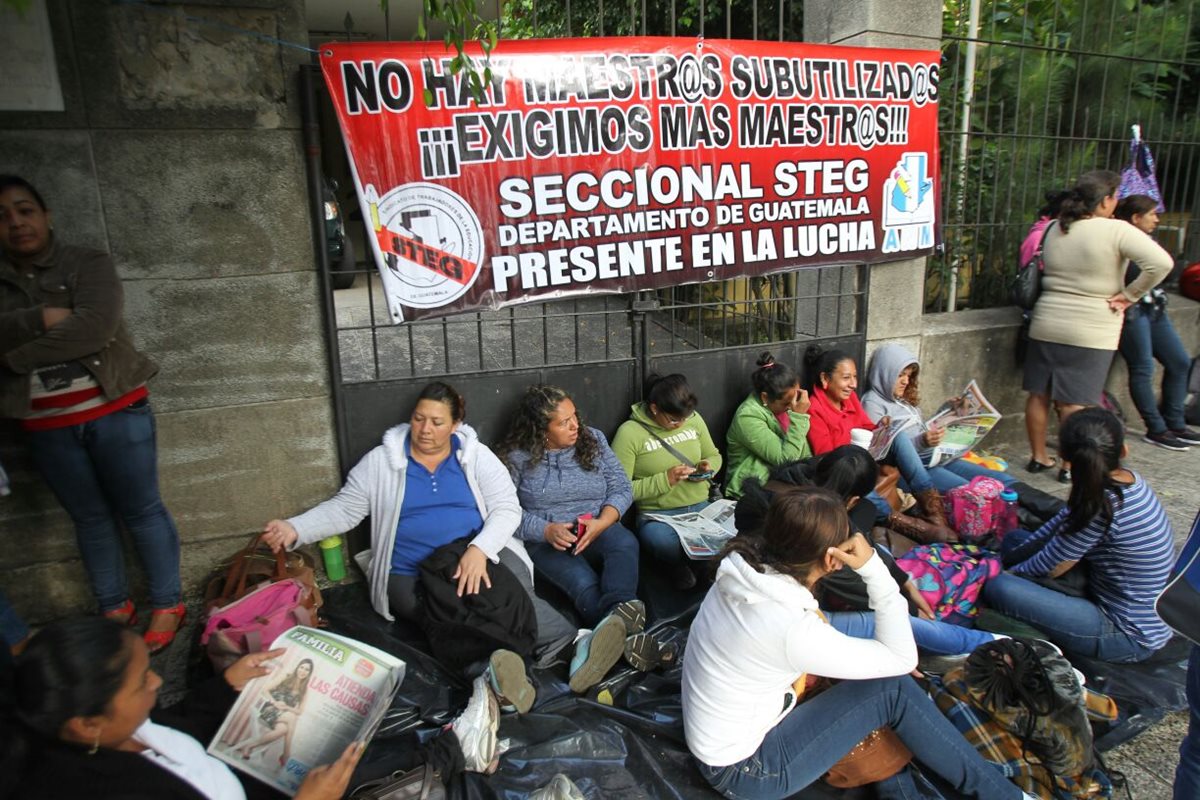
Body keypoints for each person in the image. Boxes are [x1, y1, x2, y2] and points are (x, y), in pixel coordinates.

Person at [681, 486, 1029, 800]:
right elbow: (901, 658)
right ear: (833, 560)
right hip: (747, 772)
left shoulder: (742, 571)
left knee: (869, 641)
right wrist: (874, 569)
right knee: (891, 689)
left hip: (720, 735)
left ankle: (980, 651)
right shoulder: (791, 627)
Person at [261, 381, 591, 705]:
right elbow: (346, 509)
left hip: (478, 550)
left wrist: (479, 550)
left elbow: (506, 508)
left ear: (456, 424)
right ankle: (495, 673)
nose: (425, 430)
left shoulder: (475, 457)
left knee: (508, 593)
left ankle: (567, 648)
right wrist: (294, 529)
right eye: (419, 418)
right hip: (412, 571)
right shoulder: (382, 461)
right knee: (449, 606)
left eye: (437, 422)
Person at [0, 175, 184, 652]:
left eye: (25, 210)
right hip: (43, 424)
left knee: (142, 509)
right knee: (88, 518)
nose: (16, 223)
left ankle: (167, 603)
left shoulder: (86, 262)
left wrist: (12, 354)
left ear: (46, 215)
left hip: (116, 410)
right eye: (3, 216)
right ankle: (113, 608)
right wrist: (41, 319)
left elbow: (94, 329)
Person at [0, 617, 366, 799]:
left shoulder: (117, 729)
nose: (158, 682)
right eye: (143, 679)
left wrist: (226, 685)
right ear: (88, 725)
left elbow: (177, 725)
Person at [736, 448, 1003, 658]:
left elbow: (858, 544)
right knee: (905, 624)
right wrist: (903, 608)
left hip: (782, 600)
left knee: (882, 561)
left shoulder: (789, 496)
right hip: (790, 614)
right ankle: (997, 644)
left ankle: (996, 643)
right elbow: (897, 656)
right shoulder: (812, 550)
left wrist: (901, 579)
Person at [983, 408, 1174, 662]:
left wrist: (1007, 572)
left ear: (1066, 458)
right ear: (1124, 450)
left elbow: (1051, 566)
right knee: (1015, 541)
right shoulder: (1130, 481)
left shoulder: (1099, 508)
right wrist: (1016, 557)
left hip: (1127, 634)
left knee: (999, 587)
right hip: (1131, 603)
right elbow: (1057, 528)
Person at [497, 386, 656, 683]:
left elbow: (621, 487)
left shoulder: (592, 439)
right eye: (563, 422)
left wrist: (604, 521)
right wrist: (545, 530)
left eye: (574, 417)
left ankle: (618, 624)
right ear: (540, 429)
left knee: (624, 543)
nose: (575, 426)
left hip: (595, 525)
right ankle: (630, 637)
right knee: (583, 582)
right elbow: (504, 510)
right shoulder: (515, 457)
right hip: (548, 539)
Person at [1022, 171, 1172, 481]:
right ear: (1105, 200)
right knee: (1075, 402)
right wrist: (1130, 295)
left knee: (1039, 394)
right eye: (1115, 197)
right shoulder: (1116, 229)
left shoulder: (1053, 227)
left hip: (1047, 321)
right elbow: (1162, 263)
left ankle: (1038, 457)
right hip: (1091, 328)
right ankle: (1070, 466)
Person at [804, 345, 956, 542]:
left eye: (855, 377)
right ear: (825, 379)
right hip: (843, 470)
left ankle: (933, 511)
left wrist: (880, 427)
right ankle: (906, 524)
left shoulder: (848, 399)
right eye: (846, 378)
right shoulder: (814, 409)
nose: (852, 384)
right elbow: (827, 457)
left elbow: (864, 425)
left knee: (899, 437)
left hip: (863, 454)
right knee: (853, 474)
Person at [612, 373, 723, 589]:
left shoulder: (693, 419)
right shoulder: (629, 433)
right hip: (661, 515)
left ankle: (700, 567)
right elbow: (620, 489)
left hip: (701, 506)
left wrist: (708, 468)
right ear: (654, 409)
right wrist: (665, 480)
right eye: (673, 419)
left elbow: (714, 455)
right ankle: (677, 565)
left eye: (685, 418)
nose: (680, 424)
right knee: (662, 541)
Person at [862, 343, 1015, 493]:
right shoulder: (872, 403)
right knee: (972, 491)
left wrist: (948, 411)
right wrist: (921, 442)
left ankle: (1036, 509)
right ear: (884, 373)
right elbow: (881, 451)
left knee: (1000, 479)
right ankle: (1013, 512)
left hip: (936, 457)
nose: (906, 381)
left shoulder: (901, 399)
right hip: (912, 469)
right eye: (900, 375)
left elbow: (923, 429)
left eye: (909, 376)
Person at [1113, 194, 1200, 451]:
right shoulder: (1120, 239)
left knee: (1180, 361)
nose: (1157, 219)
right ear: (1136, 217)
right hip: (1131, 310)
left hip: (1154, 307)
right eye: (1152, 214)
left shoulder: (1146, 241)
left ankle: (1174, 421)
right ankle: (1156, 428)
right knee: (1142, 367)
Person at [723, 352, 811, 499]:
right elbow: (785, 461)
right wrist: (800, 417)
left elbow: (804, 453)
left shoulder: (789, 408)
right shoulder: (747, 417)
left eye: (795, 399)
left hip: (783, 487)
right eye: (786, 403)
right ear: (765, 397)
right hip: (752, 492)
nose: (792, 407)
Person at [234, 659, 313, 768]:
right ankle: (286, 754)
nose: (303, 671)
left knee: (283, 729)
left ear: (309, 673)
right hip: (269, 709)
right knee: (292, 718)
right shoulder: (287, 676)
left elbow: (300, 711)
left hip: (283, 715)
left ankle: (249, 746)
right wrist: (274, 702)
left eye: (307, 669)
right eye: (302, 667)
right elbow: (265, 689)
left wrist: (286, 707)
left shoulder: (305, 689)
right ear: (297, 667)